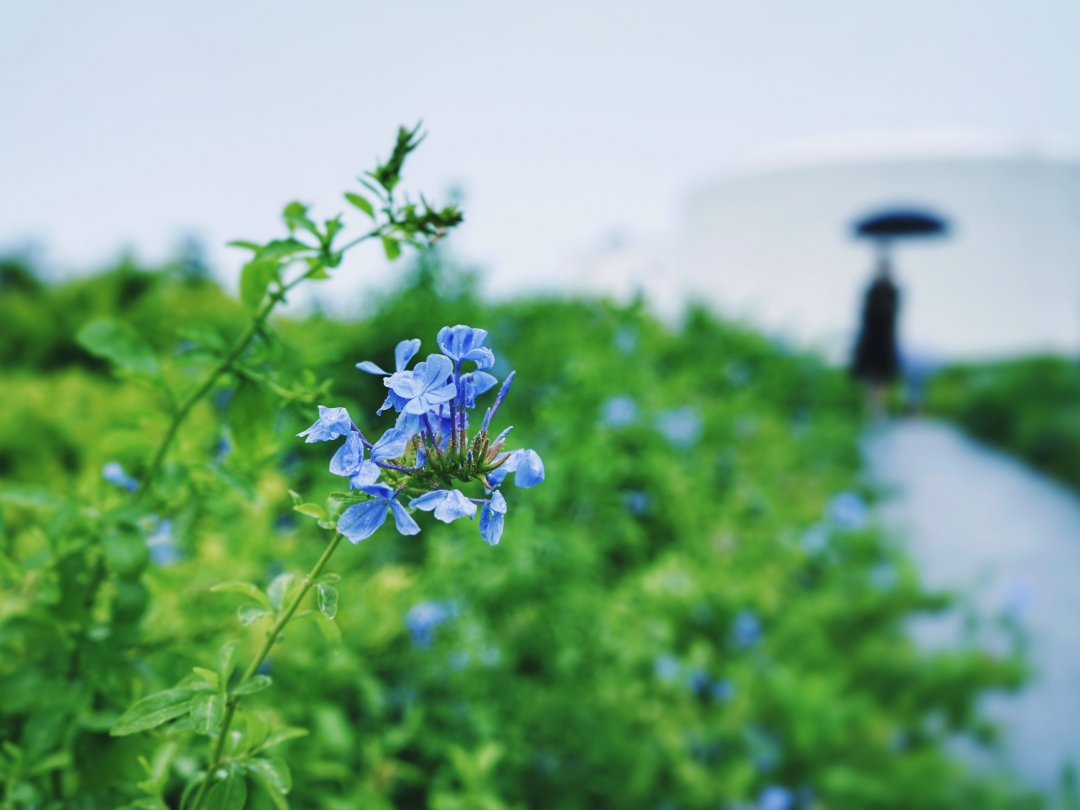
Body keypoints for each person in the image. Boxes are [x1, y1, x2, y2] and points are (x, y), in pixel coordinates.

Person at [851, 256, 900, 414]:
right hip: (871, 336)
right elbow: (865, 313)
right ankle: (867, 407)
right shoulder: (873, 289)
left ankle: (877, 408)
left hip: (884, 337)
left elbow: (892, 314)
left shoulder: (892, 291)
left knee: (881, 377)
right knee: (869, 375)